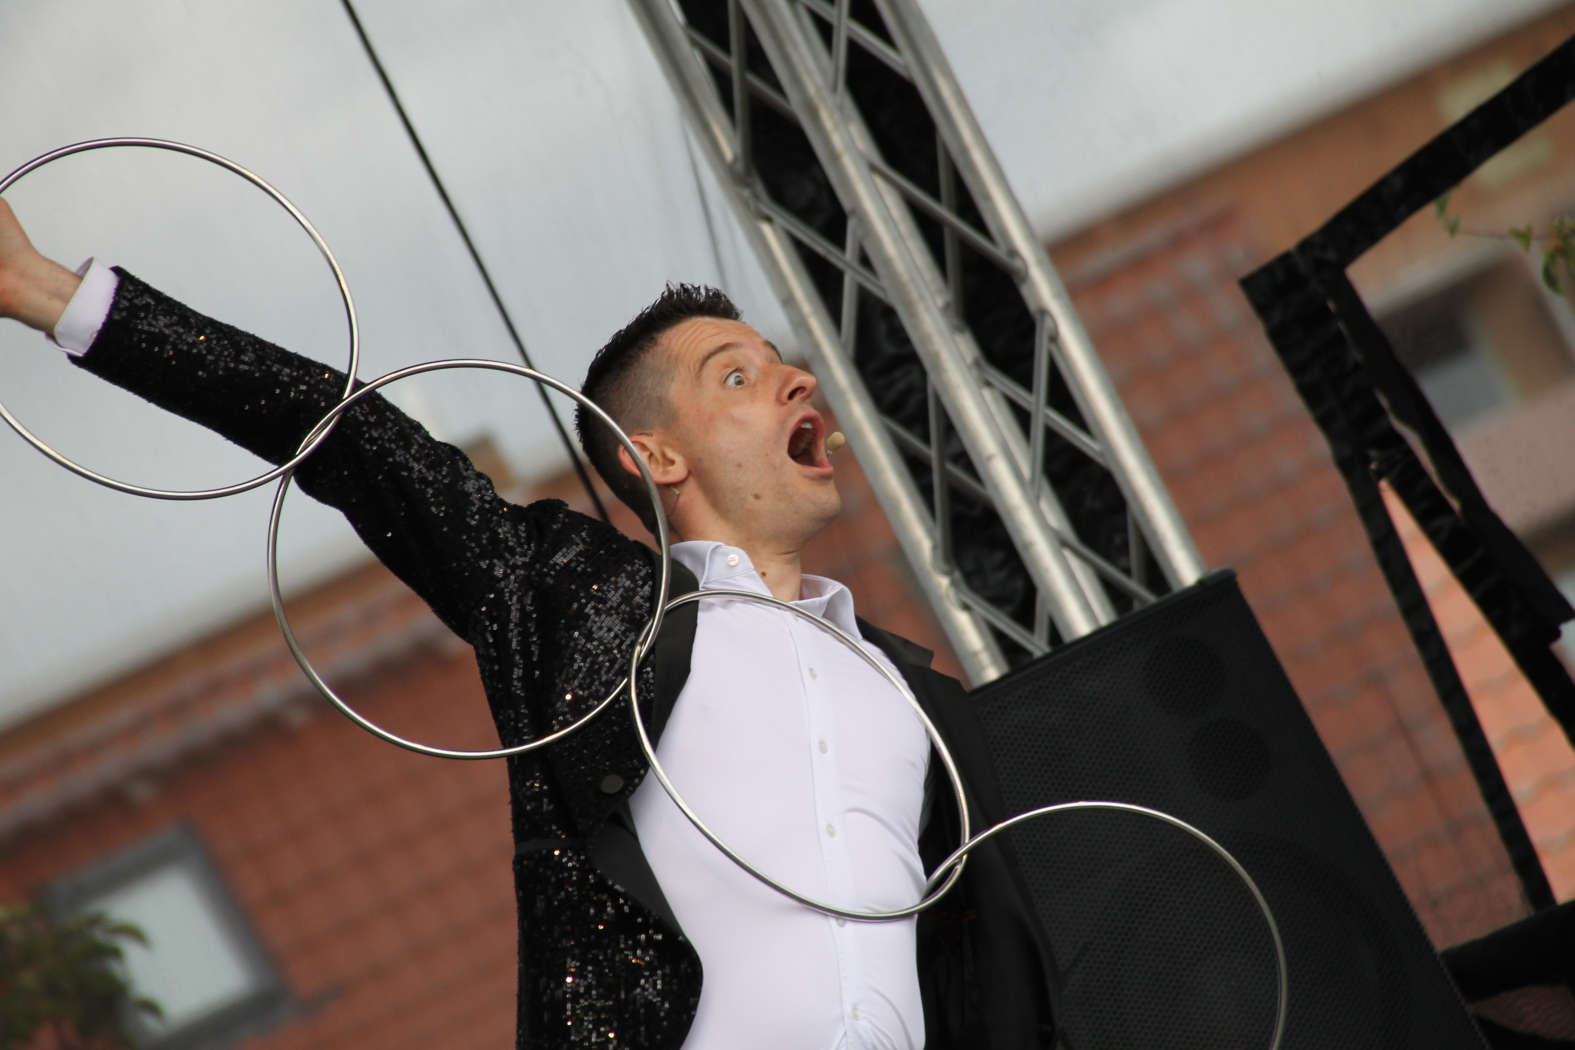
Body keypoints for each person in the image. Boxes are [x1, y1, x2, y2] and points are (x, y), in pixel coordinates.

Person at [0, 199, 1056, 1049]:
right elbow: (350, 436)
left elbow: (1005, 963)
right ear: (655, 457)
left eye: (782, 363)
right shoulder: (578, 598)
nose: (797, 378)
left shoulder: (914, 697)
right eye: (737, 375)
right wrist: (50, 292)